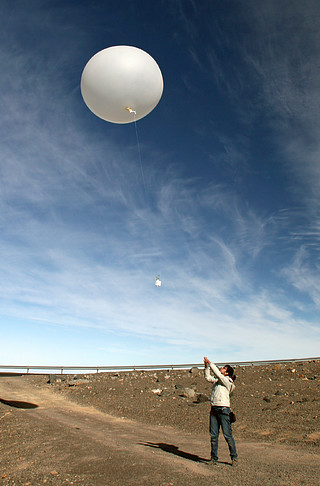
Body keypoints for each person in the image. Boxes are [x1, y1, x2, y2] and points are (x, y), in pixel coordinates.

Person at [203, 356, 238, 467]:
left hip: (223, 410)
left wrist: (211, 363)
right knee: (214, 436)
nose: (221, 369)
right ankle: (214, 458)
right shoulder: (218, 381)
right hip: (214, 409)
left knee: (227, 435)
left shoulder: (227, 382)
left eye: (223, 368)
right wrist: (206, 367)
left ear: (227, 373)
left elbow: (218, 374)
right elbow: (208, 378)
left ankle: (234, 457)